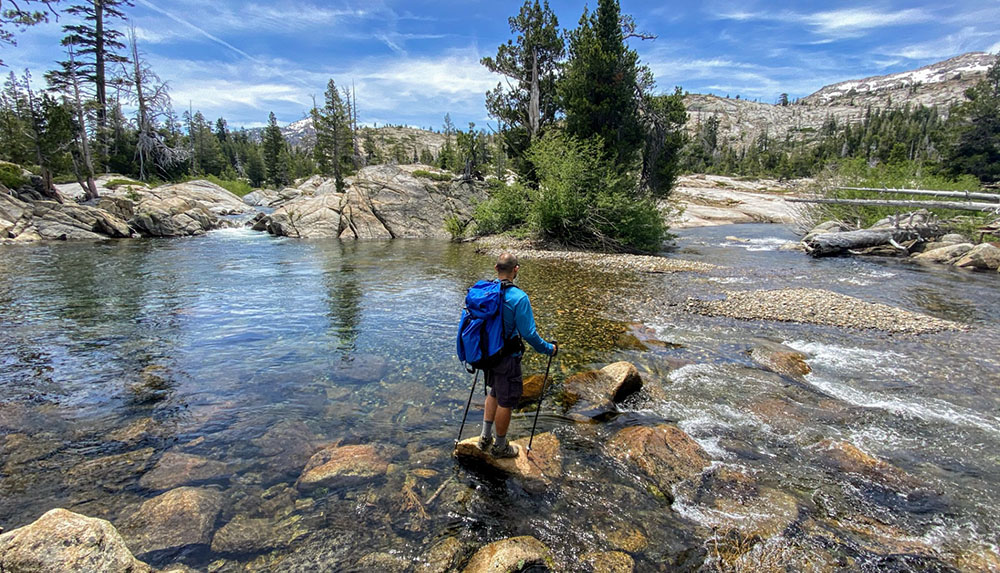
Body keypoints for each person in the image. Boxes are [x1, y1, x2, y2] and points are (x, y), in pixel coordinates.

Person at [479, 252, 557, 458]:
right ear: (516, 270)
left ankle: (485, 437)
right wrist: (549, 349)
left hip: (487, 355)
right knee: (506, 401)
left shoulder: (486, 291)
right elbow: (529, 334)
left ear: (496, 268)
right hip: (507, 358)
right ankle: (500, 447)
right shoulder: (519, 298)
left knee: (494, 392)